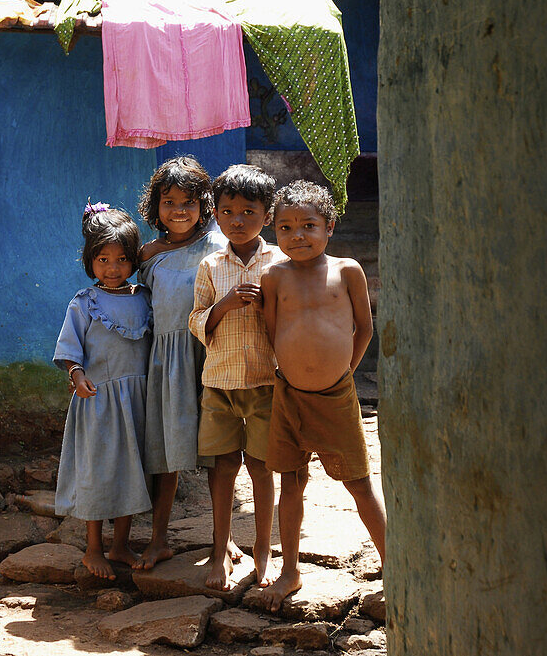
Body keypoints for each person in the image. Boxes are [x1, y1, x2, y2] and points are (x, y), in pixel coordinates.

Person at [258, 180, 386, 612]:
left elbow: (364, 329)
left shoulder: (347, 270)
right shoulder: (274, 276)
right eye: (286, 227)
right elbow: (272, 330)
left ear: (329, 227)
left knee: (359, 483)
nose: (297, 235)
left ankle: (395, 563)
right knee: (290, 482)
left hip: (336, 396)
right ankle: (290, 570)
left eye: (309, 225)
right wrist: (292, 371)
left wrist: (343, 373)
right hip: (290, 395)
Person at [134, 155, 233, 570]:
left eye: (189, 202)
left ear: (204, 205)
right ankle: (158, 539)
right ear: (155, 205)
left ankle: (222, 542)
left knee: (217, 454)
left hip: (209, 357)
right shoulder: (146, 254)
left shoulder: (217, 246)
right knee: (165, 454)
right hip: (166, 363)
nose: (178, 210)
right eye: (169, 200)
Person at [188, 165, 283, 591]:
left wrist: (269, 308)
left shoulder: (281, 262)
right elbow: (196, 319)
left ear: (268, 214)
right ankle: (219, 548)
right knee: (223, 466)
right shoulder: (211, 265)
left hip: (267, 381)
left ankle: (263, 550)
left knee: (262, 467)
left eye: (249, 211)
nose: (237, 220)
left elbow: (293, 320)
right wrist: (224, 306)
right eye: (227, 211)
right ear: (214, 212)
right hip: (220, 382)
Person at [53, 204, 153, 578]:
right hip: (99, 401)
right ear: (89, 260)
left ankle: (120, 544)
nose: (113, 268)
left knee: (131, 470)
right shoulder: (84, 303)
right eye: (103, 259)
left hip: (137, 402)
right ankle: (93, 549)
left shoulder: (144, 298)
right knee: (98, 471)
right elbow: (69, 350)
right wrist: (77, 376)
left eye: (122, 259)